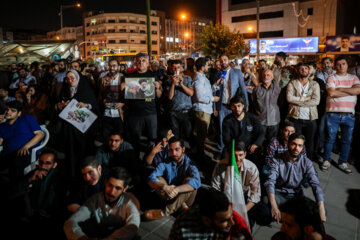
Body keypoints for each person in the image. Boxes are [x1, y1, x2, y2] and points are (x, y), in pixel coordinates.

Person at [263, 133, 326, 226]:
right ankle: (287, 215)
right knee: (265, 205)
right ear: (288, 144)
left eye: (300, 145)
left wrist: (321, 206)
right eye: (294, 144)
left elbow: (315, 183)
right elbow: (270, 182)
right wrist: (274, 205)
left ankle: (286, 215)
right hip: (279, 194)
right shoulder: (277, 160)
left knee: (319, 212)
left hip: (296, 196)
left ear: (302, 148)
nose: (296, 148)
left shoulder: (307, 162)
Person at [64, 167, 141, 240]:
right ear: (105, 182)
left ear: (125, 189)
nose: (111, 192)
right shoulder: (95, 200)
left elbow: (133, 226)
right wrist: (82, 238)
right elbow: (71, 222)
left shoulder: (130, 201)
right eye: (110, 185)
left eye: (117, 188)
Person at [144, 137, 201, 220]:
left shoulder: (190, 163)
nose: (174, 153)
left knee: (190, 181)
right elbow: (150, 178)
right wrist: (164, 187)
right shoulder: (166, 162)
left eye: (177, 149)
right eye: (171, 150)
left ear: (183, 149)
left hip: (184, 198)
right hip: (168, 196)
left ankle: (165, 212)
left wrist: (177, 189)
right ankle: (181, 208)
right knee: (158, 179)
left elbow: (197, 181)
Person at [56, 69, 99, 179]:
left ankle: (87, 173)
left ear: (78, 78)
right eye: (68, 78)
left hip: (82, 128)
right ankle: (72, 173)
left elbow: (94, 105)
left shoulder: (86, 89)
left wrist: (86, 105)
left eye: (72, 78)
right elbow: (57, 105)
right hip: (69, 127)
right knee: (70, 151)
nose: (70, 81)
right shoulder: (65, 89)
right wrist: (60, 106)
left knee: (83, 150)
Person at [320, 56, 360, 173]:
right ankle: (326, 160)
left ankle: (342, 162)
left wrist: (340, 89)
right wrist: (349, 90)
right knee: (330, 139)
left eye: (344, 64)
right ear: (335, 66)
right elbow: (331, 93)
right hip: (333, 113)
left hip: (349, 114)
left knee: (346, 141)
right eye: (339, 64)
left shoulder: (354, 77)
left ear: (347, 65)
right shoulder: (331, 78)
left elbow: (358, 91)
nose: (341, 66)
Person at [169, 188, 252, 240]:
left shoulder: (235, 224)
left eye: (231, 216)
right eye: (224, 221)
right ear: (207, 220)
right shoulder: (184, 226)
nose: (232, 223)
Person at [212, 141, 261, 228]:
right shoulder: (220, 166)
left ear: (245, 154)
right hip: (225, 200)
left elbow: (255, 194)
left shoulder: (252, 168)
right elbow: (215, 190)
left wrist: (242, 211)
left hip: (245, 201)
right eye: (234, 156)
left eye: (240, 155)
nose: (237, 159)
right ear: (228, 155)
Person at [212, 54, 249, 160]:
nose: (223, 62)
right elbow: (215, 91)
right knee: (221, 129)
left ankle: (237, 150)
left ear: (228, 60)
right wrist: (214, 106)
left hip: (234, 106)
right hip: (222, 106)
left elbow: (243, 88)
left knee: (236, 128)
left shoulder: (236, 72)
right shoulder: (218, 74)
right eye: (221, 60)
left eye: (225, 59)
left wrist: (246, 104)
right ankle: (221, 150)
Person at [126, 53, 162, 151]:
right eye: (138, 61)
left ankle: (151, 159)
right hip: (135, 113)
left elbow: (159, 95)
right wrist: (124, 89)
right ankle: (135, 160)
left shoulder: (153, 75)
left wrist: (158, 88)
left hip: (151, 112)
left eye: (143, 61)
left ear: (147, 63)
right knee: (135, 139)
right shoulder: (130, 76)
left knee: (152, 138)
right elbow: (127, 96)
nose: (141, 63)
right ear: (135, 63)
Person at [0, 100, 43, 181]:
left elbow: (39, 134)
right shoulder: (2, 125)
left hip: (26, 151)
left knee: (16, 165)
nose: (8, 112)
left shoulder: (27, 119)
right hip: (7, 154)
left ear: (19, 113)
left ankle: (15, 190)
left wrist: (26, 146)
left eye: (13, 110)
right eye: (6, 109)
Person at [286, 63, 320, 161]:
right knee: (295, 142)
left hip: (311, 118)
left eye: (306, 68)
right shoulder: (292, 83)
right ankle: (295, 162)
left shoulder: (315, 84)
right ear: (297, 70)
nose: (304, 70)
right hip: (296, 117)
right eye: (301, 68)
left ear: (309, 71)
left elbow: (316, 101)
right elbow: (289, 98)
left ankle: (307, 163)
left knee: (309, 142)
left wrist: (298, 102)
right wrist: (305, 98)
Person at [192, 57, 219, 163]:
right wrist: (213, 99)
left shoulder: (203, 77)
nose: (209, 67)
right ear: (202, 67)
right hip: (202, 110)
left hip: (206, 110)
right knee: (201, 136)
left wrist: (216, 86)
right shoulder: (199, 80)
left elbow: (206, 92)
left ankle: (200, 154)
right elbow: (200, 97)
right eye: (207, 65)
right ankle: (200, 157)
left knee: (203, 135)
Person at [222, 96, 265, 161]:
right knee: (225, 155)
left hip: (250, 147)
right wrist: (236, 149)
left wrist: (256, 144)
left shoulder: (252, 117)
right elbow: (226, 139)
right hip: (235, 147)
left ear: (243, 106)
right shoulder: (227, 120)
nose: (237, 109)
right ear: (231, 107)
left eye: (239, 106)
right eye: (234, 106)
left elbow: (261, 132)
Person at [165, 59, 194, 141]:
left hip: (186, 112)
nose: (176, 69)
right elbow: (170, 96)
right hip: (173, 112)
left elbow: (191, 93)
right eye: (174, 68)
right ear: (171, 69)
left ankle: (193, 152)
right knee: (176, 136)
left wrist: (181, 84)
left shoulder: (187, 79)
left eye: (178, 67)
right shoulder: (168, 81)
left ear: (181, 68)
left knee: (189, 134)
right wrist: (173, 84)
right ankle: (179, 152)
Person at [99, 59, 125, 141]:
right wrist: (103, 101)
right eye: (110, 66)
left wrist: (123, 104)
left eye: (114, 66)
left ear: (119, 67)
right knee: (106, 137)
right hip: (107, 113)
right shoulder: (103, 79)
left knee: (119, 138)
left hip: (119, 114)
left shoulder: (124, 79)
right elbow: (100, 96)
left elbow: (130, 97)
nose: (112, 68)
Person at [252, 69, 281, 142]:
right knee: (259, 142)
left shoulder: (277, 89)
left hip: (274, 121)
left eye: (268, 75)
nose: (266, 77)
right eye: (264, 75)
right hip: (261, 120)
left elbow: (281, 103)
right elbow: (253, 103)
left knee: (272, 142)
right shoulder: (256, 89)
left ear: (272, 77)